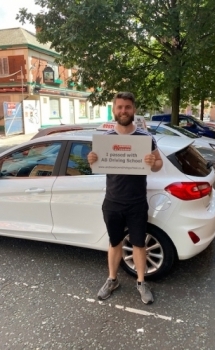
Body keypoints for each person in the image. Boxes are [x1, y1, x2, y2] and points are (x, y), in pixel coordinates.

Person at [87, 91, 163, 304]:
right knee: (114, 242)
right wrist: (91, 158)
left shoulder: (146, 138)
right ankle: (112, 279)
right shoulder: (105, 140)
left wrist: (152, 161)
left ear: (134, 110)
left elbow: (158, 165)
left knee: (139, 244)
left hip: (137, 202)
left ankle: (141, 282)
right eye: (119, 107)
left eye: (127, 107)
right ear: (114, 110)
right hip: (112, 202)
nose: (123, 111)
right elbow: (95, 163)